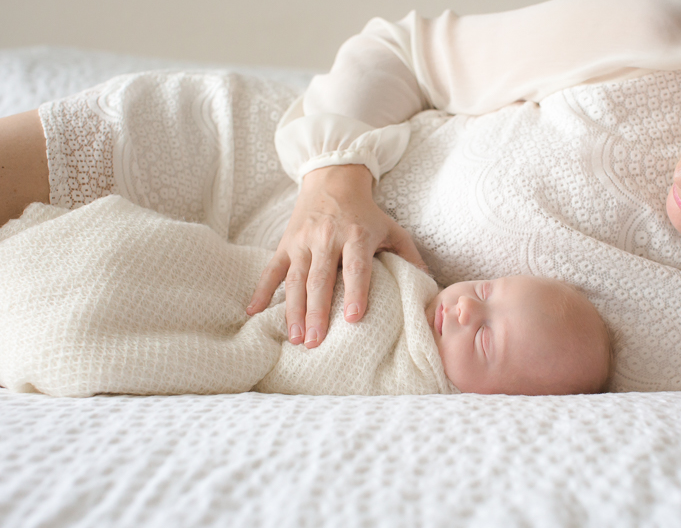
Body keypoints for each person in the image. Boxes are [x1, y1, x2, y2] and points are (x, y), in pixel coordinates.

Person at [1, 0, 681, 402]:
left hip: (258, 333)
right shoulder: (655, 38)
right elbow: (400, 52)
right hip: (238, 165)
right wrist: (333, 184)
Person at [0, 196, 611, 397]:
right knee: (128, 253)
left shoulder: (413, 381)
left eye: (484, 339)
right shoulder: (411, 278)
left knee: (88, 329)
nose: (469, 308)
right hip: (234, 276)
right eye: (486, 289)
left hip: (250, 334)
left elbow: (304, 360)